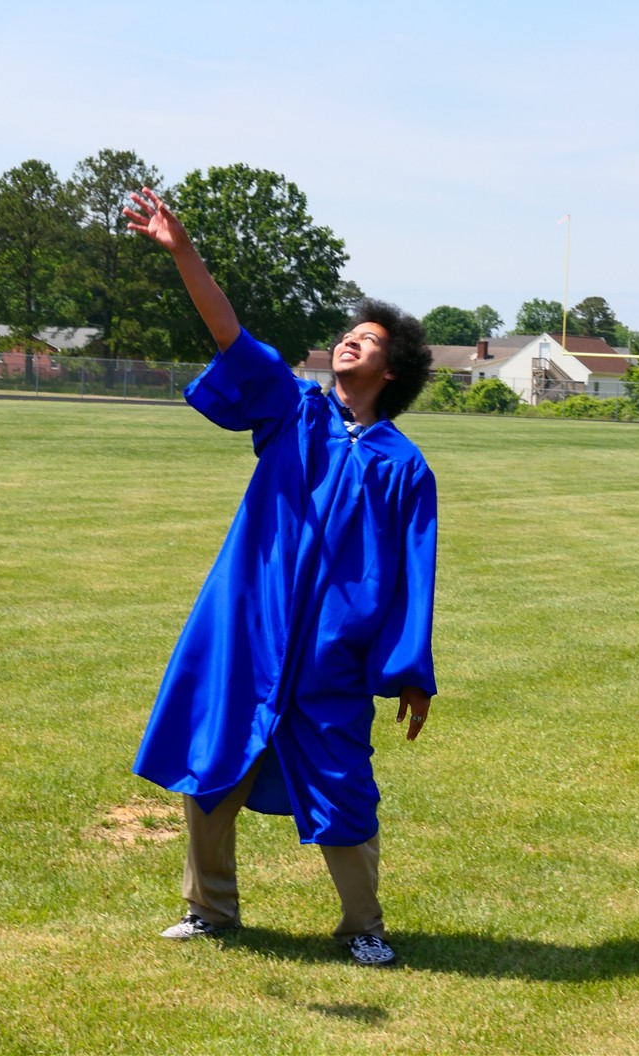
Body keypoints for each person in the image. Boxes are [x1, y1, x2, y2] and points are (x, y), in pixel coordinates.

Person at [123, 187, 438, 967]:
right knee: (212, 757)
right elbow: (229, 334)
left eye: (368, 340)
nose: (350, 342)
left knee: (343, 782)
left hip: (333, 647)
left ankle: (364, 927)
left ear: (393, 368)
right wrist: (183, 253)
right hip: (251, 624)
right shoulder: (294, 412)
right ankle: (209, 909)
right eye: (348, 334)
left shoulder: (404, 467)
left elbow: (412, 575)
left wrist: (409, 671)